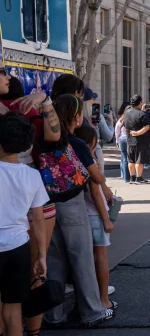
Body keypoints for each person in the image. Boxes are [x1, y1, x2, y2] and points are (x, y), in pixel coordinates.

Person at [44, 94, 113, 327]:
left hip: (47, 204)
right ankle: (92, 312)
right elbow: (96, 176)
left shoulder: (44, 140)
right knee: (82, 257)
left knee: (53, 260)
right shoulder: (77, 143)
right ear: (75, 117)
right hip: (73, 203)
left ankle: (52, 315)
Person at [0, 76, 61, 335]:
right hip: (22, 230)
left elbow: (54, 135)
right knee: (29, 282)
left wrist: (44, 100)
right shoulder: (27, 108)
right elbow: (55, 135)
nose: (6, 75)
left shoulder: (23, 106)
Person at [0, 113, 48, 336]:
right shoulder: (32, 175)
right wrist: (41, 256)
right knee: (13, 310)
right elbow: (38, 219)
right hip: (19, 247)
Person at [74, 126, 117, 312]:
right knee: (100, 257)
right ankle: (103, 299)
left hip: (81, 214)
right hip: (95, 215)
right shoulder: (89, 161)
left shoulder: (73, 159)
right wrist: (106, 219)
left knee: (84, 259)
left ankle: (87, 298)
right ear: (91, 142)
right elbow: (96, 193)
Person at [83, 87, 114, 171]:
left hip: (75, 149)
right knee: (97, 178)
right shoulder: (96, 115)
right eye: (93, 98)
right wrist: (111, 123)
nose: (94, 101)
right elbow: (108, 136)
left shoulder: (73, 113)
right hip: (94, 149)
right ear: (90, 100)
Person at [123, 95, 150, 184]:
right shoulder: (142, 114)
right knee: (139, 160)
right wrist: (137, 133)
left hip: (129, 139)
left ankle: (132, 177)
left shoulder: (126, 113)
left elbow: (124, 124)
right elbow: (146, 127)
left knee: (131, 160)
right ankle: (139, 178)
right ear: (140, 103)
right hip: (140, 140)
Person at [115, 105, 130, 183]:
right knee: (129, 158)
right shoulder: (131, 120)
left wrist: (117, 141)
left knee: (124, 158)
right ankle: (129, 176)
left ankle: (124, 176)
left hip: (122, 138)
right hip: (129, 138)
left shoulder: (121, 120)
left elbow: (117, 132)